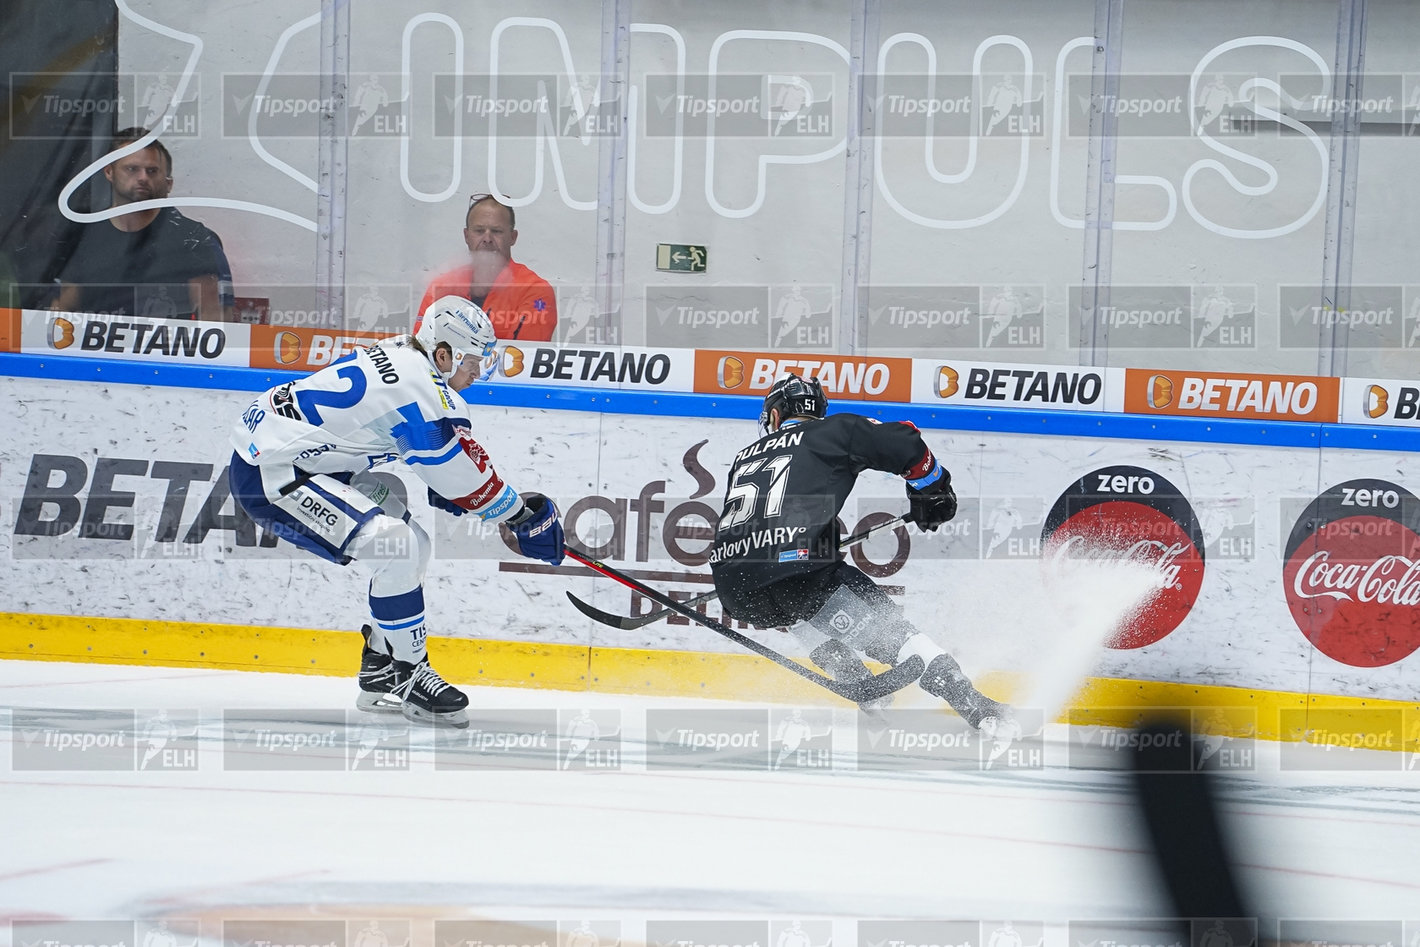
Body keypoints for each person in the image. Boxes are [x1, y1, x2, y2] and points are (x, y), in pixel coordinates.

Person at [227, 295, 566, 727]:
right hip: (272, 474)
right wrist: (519, 515)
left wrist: (447, 479)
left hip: (309, 460)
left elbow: (402, 437)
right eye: (473, 361)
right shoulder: (424, 390)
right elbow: (459, 474)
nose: (478, 372)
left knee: (414, 546)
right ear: (443, 353)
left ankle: (381, 669)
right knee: (398, 548)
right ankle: (411, 675)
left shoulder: (405, 355)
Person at [708, 374, 1017, 745]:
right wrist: (932, 490)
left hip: (734, 588)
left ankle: (860, 683)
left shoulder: (744, 457)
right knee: (895, 638)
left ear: (773, 417)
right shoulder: (833, 431)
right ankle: (977, 707)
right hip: (801, 576)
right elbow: (904, 440)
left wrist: (819, 540)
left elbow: (765, 524)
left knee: (792, 602)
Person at [52, 128, 235, 321]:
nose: (143, 178)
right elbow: (61, 311)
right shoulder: (86, 237)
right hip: (94, 348)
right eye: (132, 169)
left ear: (168, 182)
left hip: (166, 348)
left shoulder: (192, 238)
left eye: (152, 171)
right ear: (109, 172)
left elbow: (215, 320)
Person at [417, 194, 557, 342]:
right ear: (466, 236)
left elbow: (523, 357)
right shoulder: (441, 286)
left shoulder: (535, 290)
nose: (487, 239)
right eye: (479, 231)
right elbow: (420, 348)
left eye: (496, 231)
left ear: (513, 237)